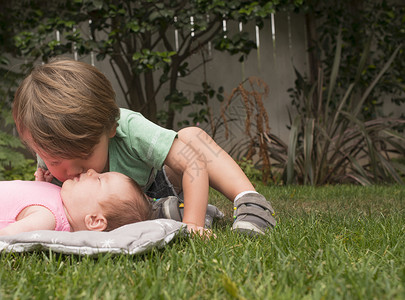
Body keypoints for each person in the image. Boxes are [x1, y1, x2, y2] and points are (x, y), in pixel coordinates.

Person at [12, 58, 276, 236]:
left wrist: (193, 226)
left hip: (161, 180)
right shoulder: (49, 140)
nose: (70, 171)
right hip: (126, 207)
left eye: (82, 157)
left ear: (110, 127)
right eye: (55, 161)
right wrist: (44, 180)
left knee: (191, 138)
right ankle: (170, 211)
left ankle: (250, 202)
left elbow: (193, 164)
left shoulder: (130, 129)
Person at [0, 169, 152, 236]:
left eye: (99, 179)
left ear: (94, 220)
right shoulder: (64, 202)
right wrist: (41, 185)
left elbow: (9, 235)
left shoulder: (48, 218)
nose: (91, 171)